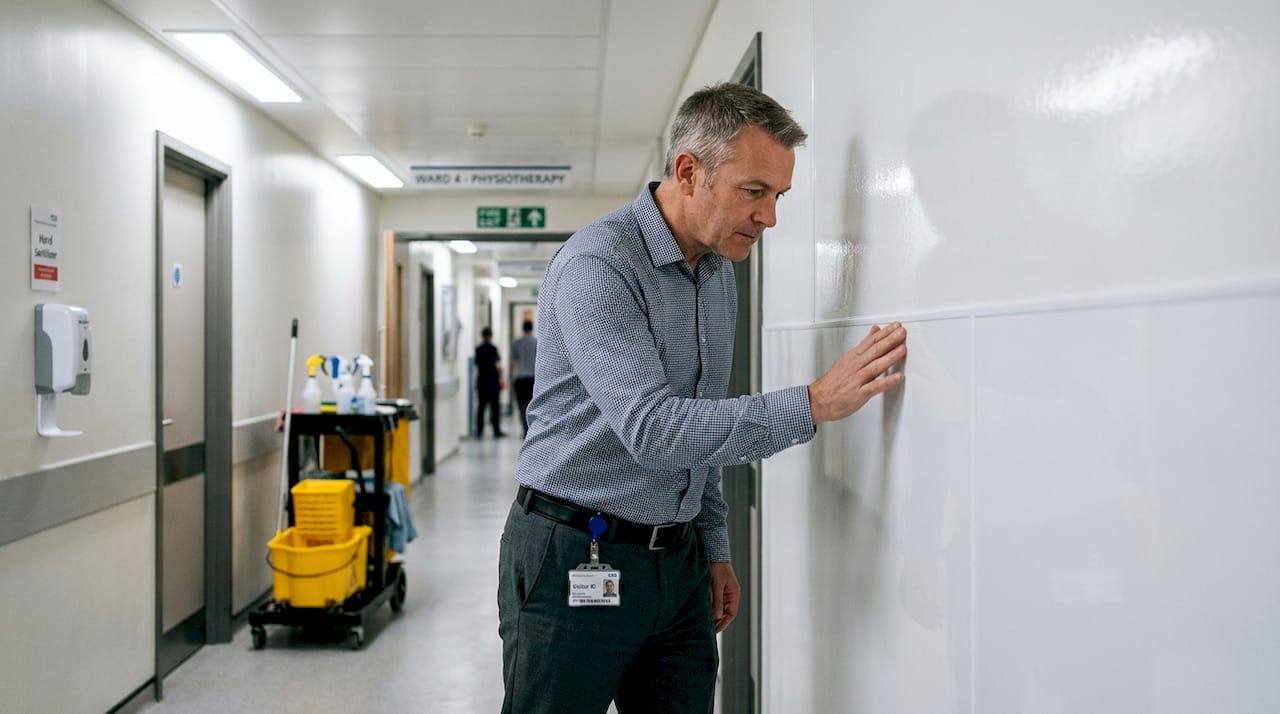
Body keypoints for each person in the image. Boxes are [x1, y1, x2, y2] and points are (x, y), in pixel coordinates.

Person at [497, 82, 908, 714]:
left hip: (680, 566)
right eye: (754, 192)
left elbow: (700, 427)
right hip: (575, 554)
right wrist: (813, 403)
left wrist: (712, 547)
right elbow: (656, 430)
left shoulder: (717, 273)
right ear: (689, 172)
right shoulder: (599, 265)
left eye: (778, 196)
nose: (769, 216)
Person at [474, 327, 505, 438]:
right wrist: (501, 376)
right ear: (491, 335)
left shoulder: (478, 349)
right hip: (492, 382)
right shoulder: (493, 348)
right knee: (495, 407)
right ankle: (496, 430)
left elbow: (477, 364)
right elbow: (497, 364)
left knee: (481, 407)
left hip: (482, 381)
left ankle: (479, 430)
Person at [509, 320, 538, 436]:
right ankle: (532, 429)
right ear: (531, 328)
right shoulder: (536, 342)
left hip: (520, 378)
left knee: (521, 406)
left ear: (523, 328)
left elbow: (512, 361)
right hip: (533, 379)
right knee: (533, 404)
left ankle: (524, 430)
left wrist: (511, 376)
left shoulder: (517, 343)